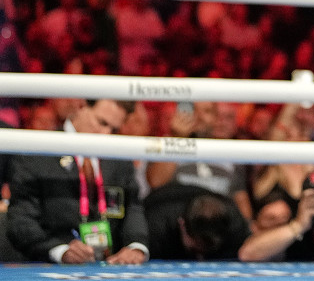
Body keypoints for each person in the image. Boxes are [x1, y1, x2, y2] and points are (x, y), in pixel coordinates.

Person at [6, 99, 150, 264]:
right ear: (81, 108)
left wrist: (136, 247)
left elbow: (132, 207)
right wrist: (59, 250)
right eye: (102, 122)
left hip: (109, 266)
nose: (106, 133)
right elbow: (21, 219)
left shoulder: (118, 157)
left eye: (113, 128)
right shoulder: (39, 152)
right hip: (49, 269)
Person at [143, 182, 250, 260]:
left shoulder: (235, 225)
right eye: (196, 248)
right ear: (182, 225)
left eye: (209, 247)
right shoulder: (154, 225)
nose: (200, 256)